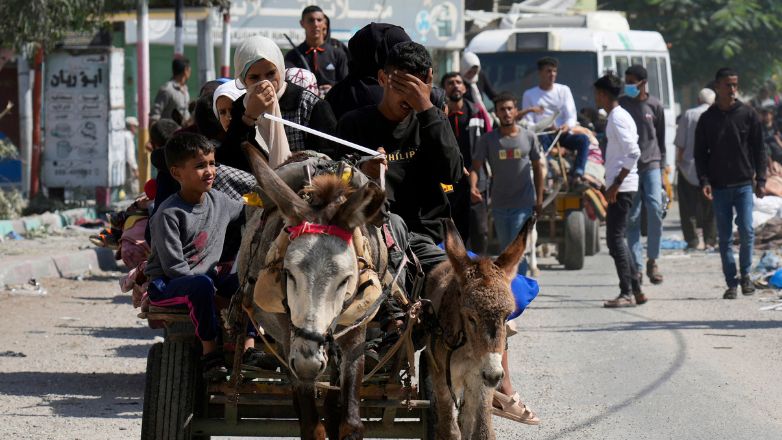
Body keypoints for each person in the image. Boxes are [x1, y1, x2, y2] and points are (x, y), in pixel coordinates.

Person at [144, 132, 245, 380]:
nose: (209, 171)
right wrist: (214, 294)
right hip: (168, 284)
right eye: (200, 166)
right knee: (200, 285)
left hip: (207, 281)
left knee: (248, 283)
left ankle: (248, 348)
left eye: (212, 164)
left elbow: (249, 209)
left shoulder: (219, 201)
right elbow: (174, 267)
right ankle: (210, 354)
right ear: (177, 173)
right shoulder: (169, 214)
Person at [695, 68, 766, 299]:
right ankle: (731, 282)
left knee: (746, 231)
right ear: (718, 86)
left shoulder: (748, 114)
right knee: (724, 238)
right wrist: (704, 180)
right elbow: (700, 154)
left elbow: (759, 149)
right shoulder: (707, 118)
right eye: (728, 85)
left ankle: (745, 275)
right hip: (719, 186)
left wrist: (761, 179)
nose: (733, 89)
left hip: (744, 183)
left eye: (735, 85)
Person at [222, 35, 337, 171]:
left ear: (281, 70)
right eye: (254, 77)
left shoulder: (309, 105)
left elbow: (329, 161)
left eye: (270, 74)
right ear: (243, 79)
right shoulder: (240, 107)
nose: (265, 83)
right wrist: (249, 117)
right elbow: (229, 159)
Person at [471, 92, 544, 258]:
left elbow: (538, 169)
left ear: (516, 110)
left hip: (524, 203)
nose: (507, 113)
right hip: (499, 206)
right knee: (506, 252)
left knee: (518, 251)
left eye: (510, 108)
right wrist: (473, 187)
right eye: (502, 109)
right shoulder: (487, 140)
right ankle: (513, 284)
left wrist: (539, 200)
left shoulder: (529, 137)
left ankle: (520, 284)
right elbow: (475, 167)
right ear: (496, 113)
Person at [594, 74, 644, 308]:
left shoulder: (617, 118)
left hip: (622, 188)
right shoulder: (618, 115)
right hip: (621, 184)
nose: (595, 98)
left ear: (604, 94)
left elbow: (634, 152)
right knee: (617, 239)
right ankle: (636, 288)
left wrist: (615, 184)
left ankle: (627, 292)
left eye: (597, 93)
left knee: (615, 239)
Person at [619, 65, 666, 285]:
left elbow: (661, 137)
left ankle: (653, 260)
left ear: (643, 82)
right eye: (626, 80)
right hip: (631, 167)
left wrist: (664, 168)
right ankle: (637, 266)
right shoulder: (622, 105)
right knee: (633, 217)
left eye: (632, 81)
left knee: (656, 208)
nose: (628, 84)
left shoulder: (655, 105)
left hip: (653, 164)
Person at [441, 72, 491, 254]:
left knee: (479, 230)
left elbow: (488, 144)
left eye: (458, 82)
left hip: (476, 181)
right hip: (449, 183)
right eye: (450, 83)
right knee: (452, 230)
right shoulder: (439, 116)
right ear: (444, 88)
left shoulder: (477, 113)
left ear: (465, 88)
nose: (455, 85)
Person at [522, 57, 591, 182]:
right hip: (543, 134)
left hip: (562, 133)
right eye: (548, 71)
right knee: (540, 143)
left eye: (554, 71)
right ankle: (548, 173)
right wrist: (545, 127)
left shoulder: (564, 90)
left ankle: (578, 173)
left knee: (583, 140)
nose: (552, 74)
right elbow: (528, 122)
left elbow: (571, 115)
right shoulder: (529, 94)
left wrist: (566, 127)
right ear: (540, 73)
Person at [675, 88, 717, 250]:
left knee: (688, 209)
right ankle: (710, 241)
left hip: (688, 168)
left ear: (698, 100)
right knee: (710, 208)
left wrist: (680, 163)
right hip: (711, 169)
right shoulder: (717, 115)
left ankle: (692, 240)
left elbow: (681, 144)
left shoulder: (688, 114)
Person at [284, 5, 348, 95]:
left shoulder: (338, 54)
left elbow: (347, 84)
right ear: (302, 23)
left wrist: (334, 88)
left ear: (324, 23)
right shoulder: (292, 56)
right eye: (311, 20)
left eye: (319, 20)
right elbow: (287, 86)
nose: (315, 24)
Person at [150, 57, 191, 124]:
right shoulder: (167, 90)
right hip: (170, 133)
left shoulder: (185, 89)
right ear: (185, 70)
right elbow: (154, 116)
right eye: (189, 69)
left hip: (183, 132)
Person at [123, 116, 139, 197]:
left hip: (122, 164)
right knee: (132, 187)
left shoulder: (122, 135)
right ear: (132, 126)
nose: (136, 129)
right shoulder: (128, 137)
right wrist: (135, 168)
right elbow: (130, 155)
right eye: (136, 126)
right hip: (128, 165)